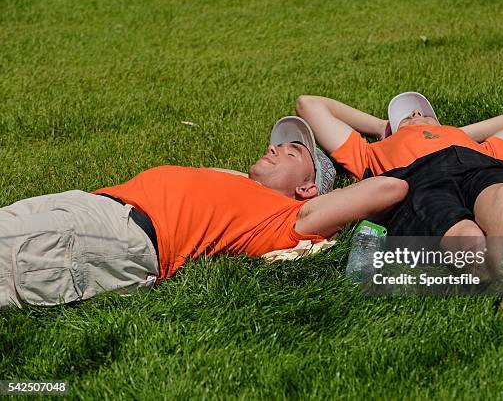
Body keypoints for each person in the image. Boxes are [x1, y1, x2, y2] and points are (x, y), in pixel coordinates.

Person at [0, 116, 408, 309]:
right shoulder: (241, 186)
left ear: (307, 188)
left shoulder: (286, 218)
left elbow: (390, 187)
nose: (274, 148)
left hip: (115, 236)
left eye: (292, 151)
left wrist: (377, 154)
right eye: (277, 144)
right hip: (86, 207)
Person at [295, 93, 503, 325]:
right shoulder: (370, 154)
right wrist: (383, 128)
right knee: (465, 236)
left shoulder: (476, 144)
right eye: (405, 116)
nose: (414, 114)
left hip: (476, 164)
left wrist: (455, 132)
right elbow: (309, 104)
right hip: (414, 179)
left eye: (423, 112)